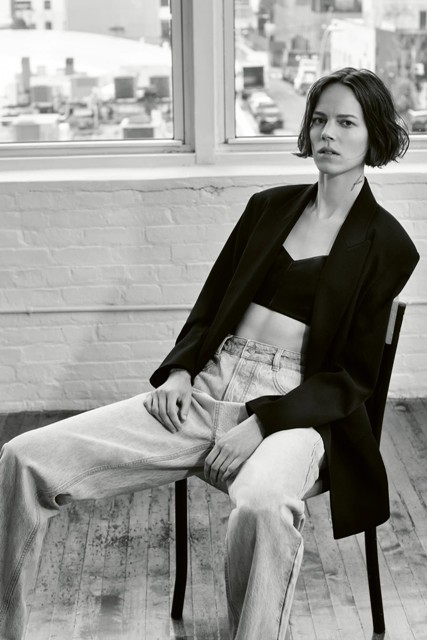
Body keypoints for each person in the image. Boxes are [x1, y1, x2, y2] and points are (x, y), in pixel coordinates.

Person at [0, 67, 420, 640]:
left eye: (346, 122)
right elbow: (211, 304)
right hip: (206, 386)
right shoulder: (268, 208)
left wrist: (263, 423)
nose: (328, 133)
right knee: (23, 458)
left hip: (296, 410)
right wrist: (178, 371)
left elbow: (352, 379)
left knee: (263, 505)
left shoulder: (389, 244)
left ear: (374, 135)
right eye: (320, 119)